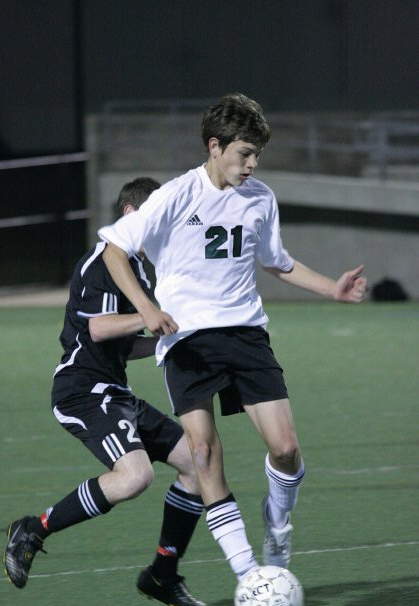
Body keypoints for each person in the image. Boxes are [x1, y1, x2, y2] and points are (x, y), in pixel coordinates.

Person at [98, 93, 368, 580]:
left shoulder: (260, 198)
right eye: (245, 153)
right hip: (188, 341)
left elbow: (276, 262)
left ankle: (277, 522)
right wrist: (146, 308)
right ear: (215, 145)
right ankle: (249, 575)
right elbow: (115, 249)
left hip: (245, 334)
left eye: (257, 155)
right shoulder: (176, 195)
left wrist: (332, 287)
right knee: (202, 452)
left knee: (285, 448)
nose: (252, 164)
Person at [3, 177, 207, 606]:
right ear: (133, 215)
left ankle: (162, 574)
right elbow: (98, 329)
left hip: (114, 391)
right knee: (134, 477)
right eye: (157, 218)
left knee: (198, 461)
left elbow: (125, 342)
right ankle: (32, 530)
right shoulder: (102, 260)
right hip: (82, 391)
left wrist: (167, 339)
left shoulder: (137, 269)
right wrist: (149, 316)